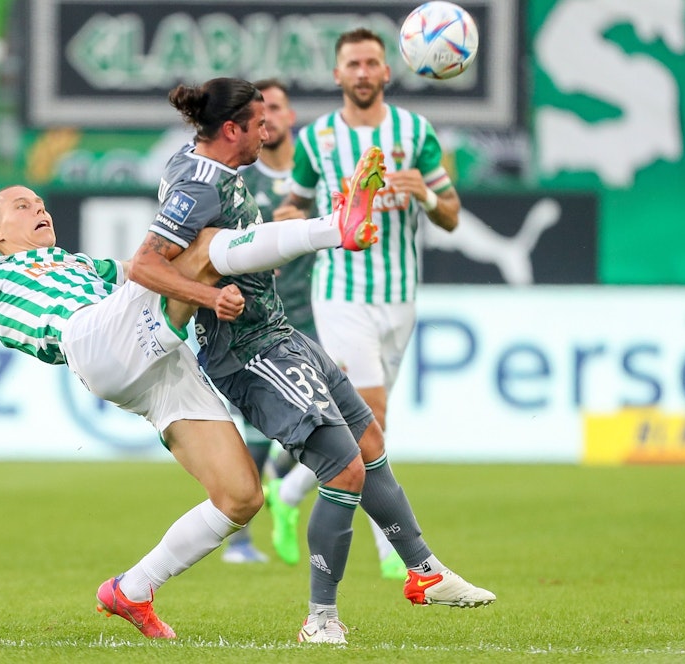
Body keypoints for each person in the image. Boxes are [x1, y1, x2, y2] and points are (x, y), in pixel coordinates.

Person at [0, 175, 378, 638]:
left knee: (241, 497)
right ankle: (334, 226)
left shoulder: (85, 264)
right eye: (22, 207)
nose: (38, 209)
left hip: (157, 367)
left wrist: (236, 263)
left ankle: (132, 589)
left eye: (41, 203)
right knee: (197, 247)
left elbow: (163, 270)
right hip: (92, 343)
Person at [129, 77, 494, 646]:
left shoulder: (209, 166)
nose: (267, 130)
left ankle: (426, 572)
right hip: (246, 350)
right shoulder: (198, 187)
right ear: (231, 130)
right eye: (257, 122)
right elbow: (145, 265)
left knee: (369, 442)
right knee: (344, 468)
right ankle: (320, 620)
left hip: (279, 331)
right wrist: (209, 296)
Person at [270, 26, 471, 600]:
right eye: (351, 64)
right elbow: (296, 205)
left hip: (401, 296)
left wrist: (426, 196)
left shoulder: (415, 133)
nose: (361, 72)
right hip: (341, 293)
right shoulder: (317, 142)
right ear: (337, 75)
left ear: (388, 71)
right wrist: (284, 224)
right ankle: (402, 554)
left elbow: (452, 214)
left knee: (371, 426)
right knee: (370, 415)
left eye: (371, 63)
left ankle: (286, 497)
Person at [226, 78, 407, 580]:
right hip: (267, 325)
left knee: (355, 426)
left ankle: (288, 497)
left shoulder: (313, 177)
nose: (272, 118)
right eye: (264, 111)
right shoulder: (246, 184)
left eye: (279, 108)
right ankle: (243, 530)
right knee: (270, 431)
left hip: (326, 313)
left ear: (290, 116)